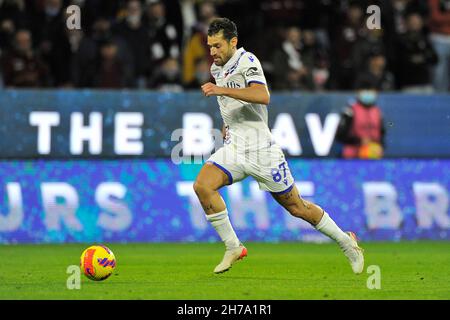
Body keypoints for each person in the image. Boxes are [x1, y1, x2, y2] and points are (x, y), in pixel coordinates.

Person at [194, 18, 364, 274]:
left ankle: (346, 241)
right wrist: (225, 125)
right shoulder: (218, 69)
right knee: (202, 186)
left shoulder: (247, 61)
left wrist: (221, 91)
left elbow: (262, 96)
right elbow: (229, 105)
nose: (213, 52)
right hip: (235, 147)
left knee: (297, 208)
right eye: (210, 47)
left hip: (262, 151)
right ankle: (233, 246)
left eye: (217, 46)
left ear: (233, 42)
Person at [336, 84, 386, 159]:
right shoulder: (350, 111)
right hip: (352, 157)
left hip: (373, 155)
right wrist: (359, 141)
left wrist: (379, 145)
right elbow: (340, 135)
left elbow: (382, 134)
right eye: (365, 90)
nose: (368, 93)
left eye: (371, 90)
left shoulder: (378, 111)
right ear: (358, 92)